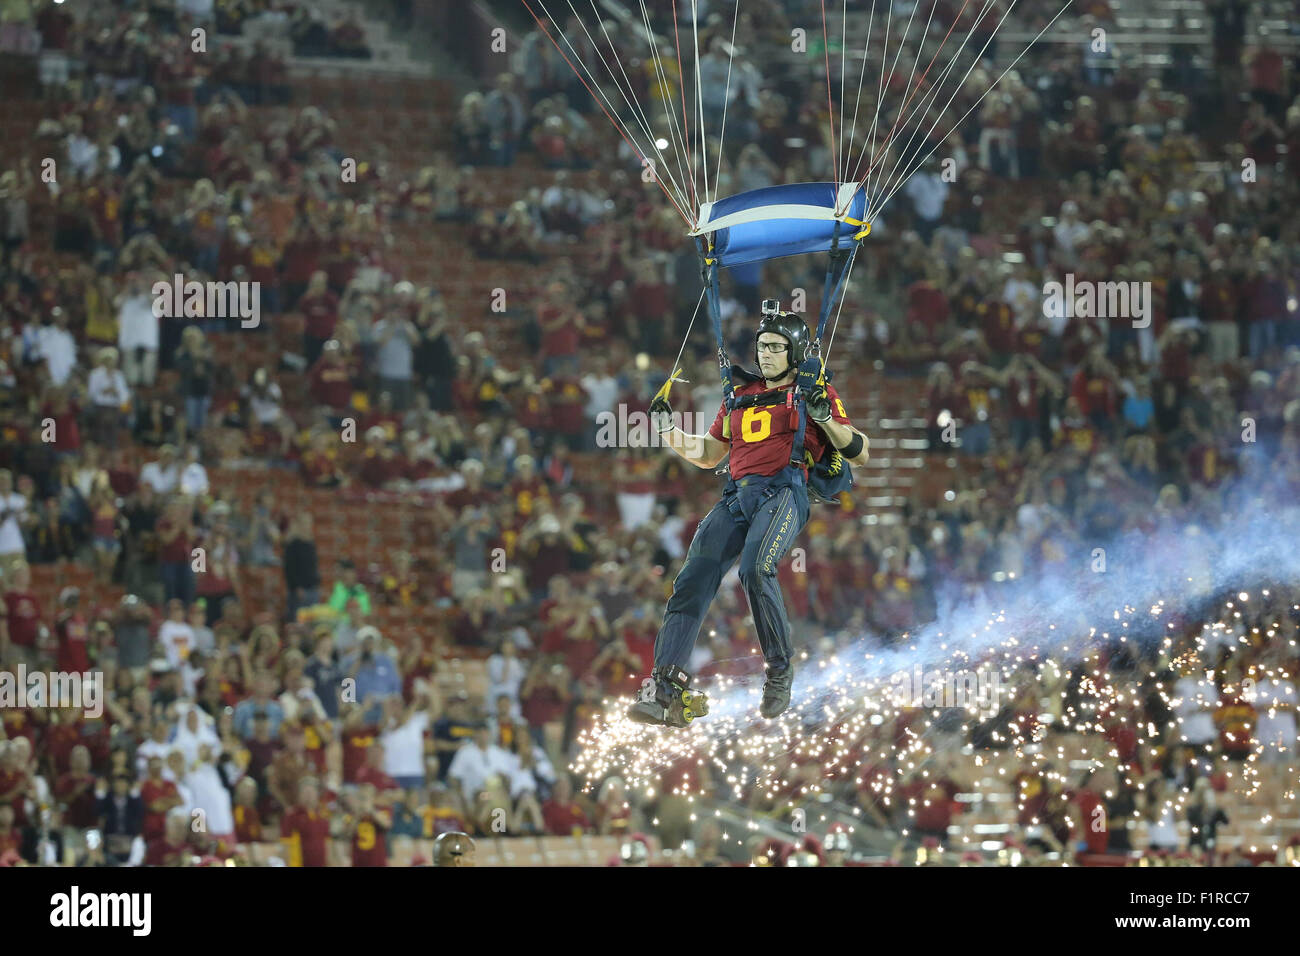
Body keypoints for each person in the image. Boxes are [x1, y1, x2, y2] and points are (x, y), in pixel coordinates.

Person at [629, 307, 870, 725]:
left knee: (756, 569)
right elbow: (708, 454)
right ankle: (665, 688)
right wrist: (667, 429)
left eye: (777, 347)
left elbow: (860, 451)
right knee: (691, 581)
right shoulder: (739, 397)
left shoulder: (814, 391)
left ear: (794, 352)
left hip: (785, 491)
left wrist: (825, 420)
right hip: (737, 496)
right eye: (762, 347)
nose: (767, 354)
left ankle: (779, 671)